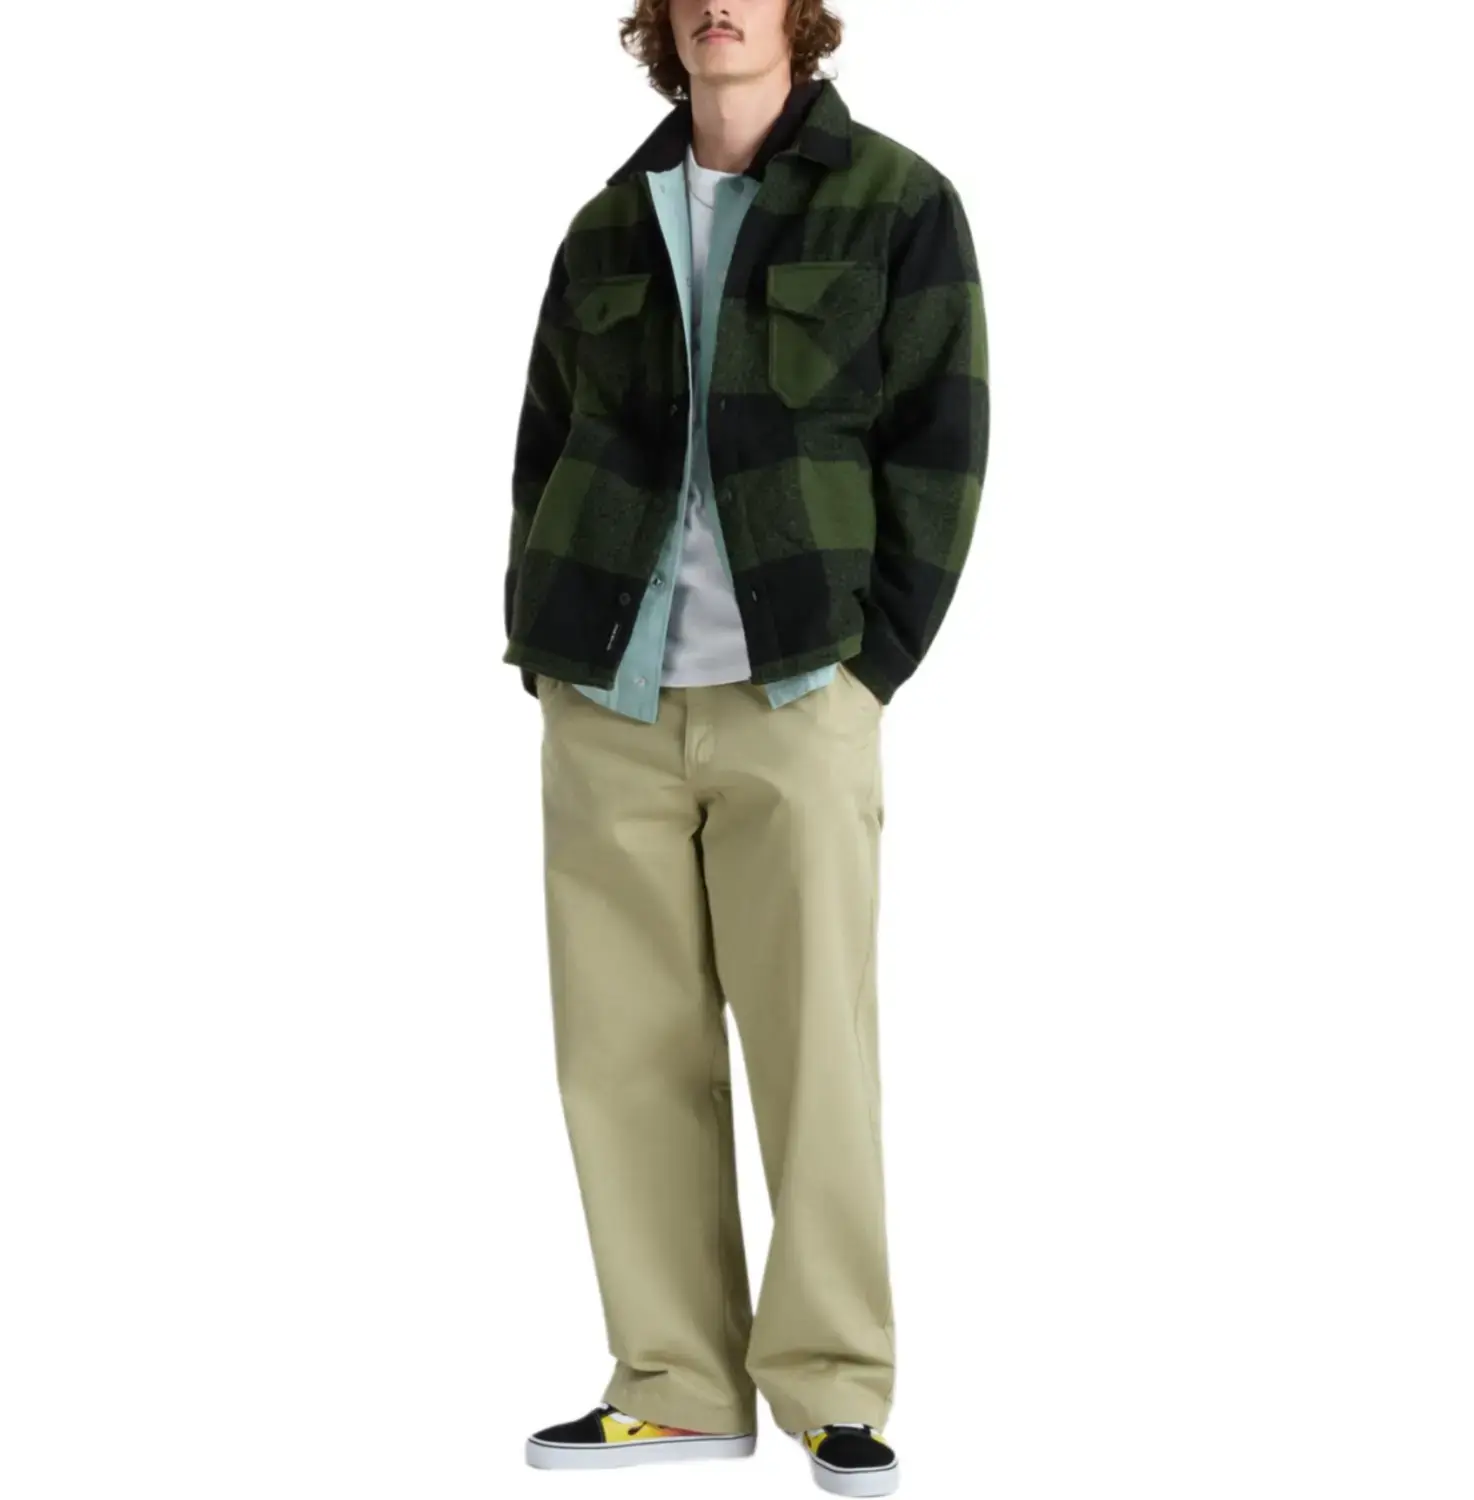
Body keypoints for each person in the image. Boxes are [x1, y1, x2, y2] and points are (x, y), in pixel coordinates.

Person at [505, 2, 988, 1492]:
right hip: (611, 698)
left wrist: (869, 662)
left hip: (796, 693)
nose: (720, 1)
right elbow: (544, 443)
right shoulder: (609, 222)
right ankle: (674, 1383)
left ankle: (834, 1384)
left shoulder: (897, 201)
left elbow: (942, 441)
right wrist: (550, 648)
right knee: (622, 1058)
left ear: (799, 15)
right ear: (660, 18)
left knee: (813, 1048)